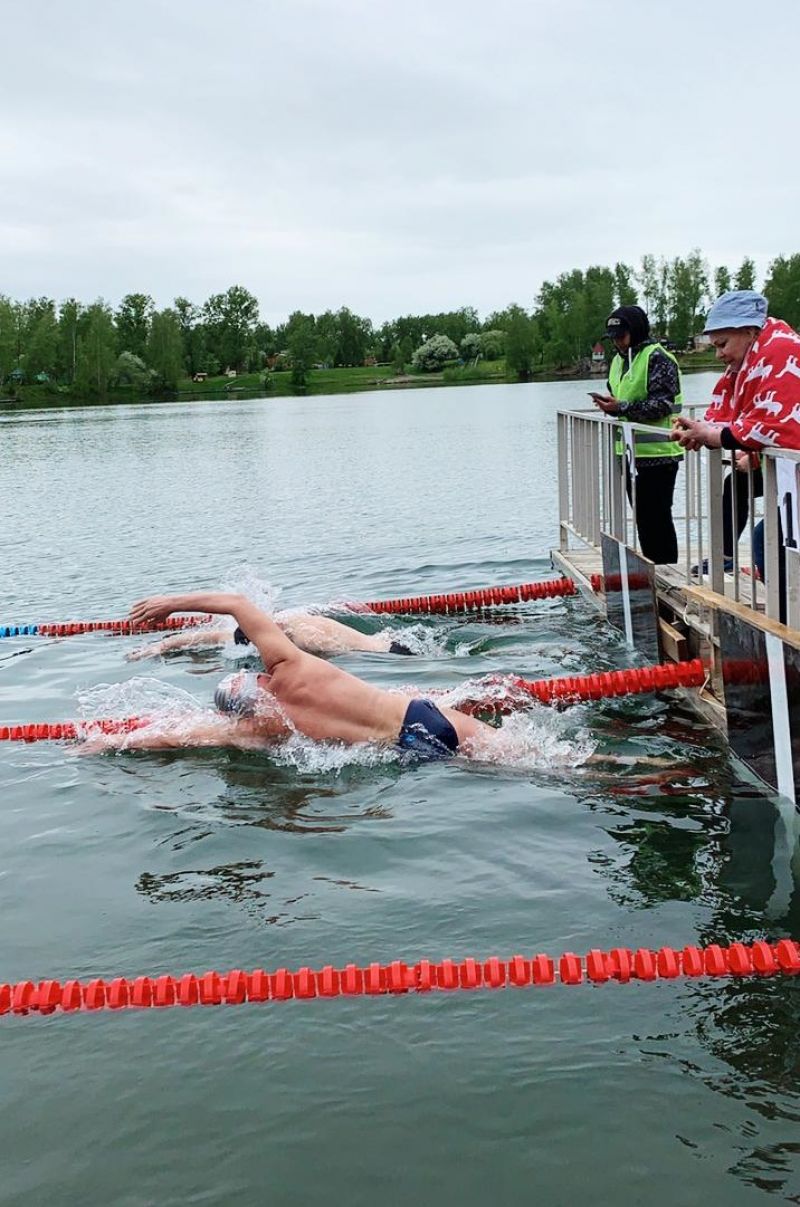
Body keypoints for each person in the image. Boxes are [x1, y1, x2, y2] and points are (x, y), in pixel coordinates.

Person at [89, 590, 495, 760]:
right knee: (525, 757)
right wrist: (171, 603)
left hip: (409, 751)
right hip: (420, 717)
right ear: (259, 682)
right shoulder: (291, 667)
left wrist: (104, 744)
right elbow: (235, 603)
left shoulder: (263, 731)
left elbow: (175, 737)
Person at [672, 290, 800, 615]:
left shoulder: (780, 352)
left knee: (767, 540)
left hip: (792, 472)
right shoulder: (758, 358)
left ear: (749, 331)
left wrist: (713, 435)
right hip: (789, 472)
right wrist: (703, 432)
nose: (719, 355)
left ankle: (788, 624)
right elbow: (754, 421)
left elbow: (779, 425)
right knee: (765, 535)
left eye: (722, 344)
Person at [591, 305, 684, 564]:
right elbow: (622, 399)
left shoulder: (658, 358)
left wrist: (620, 407)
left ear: (636, 331)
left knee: (658, 519)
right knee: (644, 520)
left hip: (660, 453)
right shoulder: (618, 361)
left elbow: (662, 405)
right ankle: (655, 569)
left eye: (621, 336)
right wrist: (611, 405)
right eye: (613, 338)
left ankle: (666, 571)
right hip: (631, 455)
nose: (617, 343)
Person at [128, 607, 415, 660]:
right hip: (388, 642)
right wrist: (161, 646)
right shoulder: (270, 625)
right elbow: (213, 637)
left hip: (389, 654)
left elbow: (346, 658)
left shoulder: (303, 636)